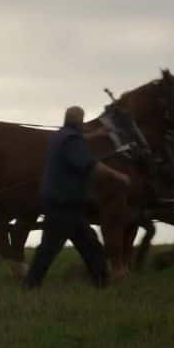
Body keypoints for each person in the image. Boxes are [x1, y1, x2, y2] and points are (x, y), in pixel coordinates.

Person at [23, 106, 130, 289]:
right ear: (79, 121)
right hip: (65, 203)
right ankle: (31, 285)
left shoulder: (60, 136)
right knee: (53, 248)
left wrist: (97, 134)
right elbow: (90, 164)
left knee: (87, 244)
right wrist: (118, 176)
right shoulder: (72, 140)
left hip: (58, 201)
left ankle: (101, 282)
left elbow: (78, 140)